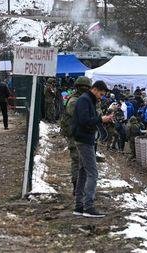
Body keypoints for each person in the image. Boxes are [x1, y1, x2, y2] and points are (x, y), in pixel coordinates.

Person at [72, 80, 114, 218]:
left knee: (83, 172)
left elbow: (88, 119)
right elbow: (85, 121)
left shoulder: (87, 100)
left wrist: (101, 119)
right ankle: (88, 207)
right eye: (101, 94)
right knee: (93, 173)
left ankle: (79, 206)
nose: (101, 97)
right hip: (84, 140)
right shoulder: (85, 100)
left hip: (83, 138)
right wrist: (101, 119)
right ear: (95, 89)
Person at [60, 76, 92, 196]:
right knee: (77, 160)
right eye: (84, 87)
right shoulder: (74, 101)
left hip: (83, 134)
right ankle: (77, 187)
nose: (86, 89)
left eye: (87, 87)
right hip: (75, 135)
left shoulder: (84, 99)